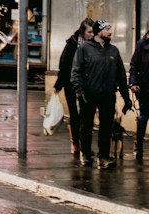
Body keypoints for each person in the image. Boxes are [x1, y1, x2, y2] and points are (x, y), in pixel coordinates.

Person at [71, 20, 132, 168]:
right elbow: (76, 71)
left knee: (106, 127)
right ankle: (85, 154)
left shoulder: (113, 51)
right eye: (107, 29)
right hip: (89, 93)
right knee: (86, 125)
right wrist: (80, 90)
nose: (110, 31)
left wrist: (126, 97)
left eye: (110, 28)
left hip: (108, 94)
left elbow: (121, 76)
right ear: (98, 32)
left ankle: (103, 157)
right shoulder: (85, 48)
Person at [53, 18, 95, 156]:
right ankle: (75, 143)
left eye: (93, 31)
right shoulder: (72, 43)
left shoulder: (95, 44)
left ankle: (85, 144)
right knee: (75, 114)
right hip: (71, 84)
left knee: (86, 114)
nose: (92, 34)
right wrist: (59, 84)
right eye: (89, 32)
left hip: (88, 84)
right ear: (83, 31)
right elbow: (64, 64)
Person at [128, 25, 149, 164]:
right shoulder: (143, 44)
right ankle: (139, 145)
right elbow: (134, 65)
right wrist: (134, 82)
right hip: (146, 86)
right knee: (144, 117)